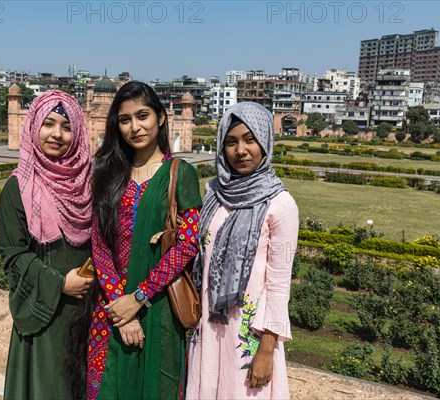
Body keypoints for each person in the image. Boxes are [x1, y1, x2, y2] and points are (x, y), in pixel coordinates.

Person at [86, 81, 202, 400]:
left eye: (143, 116)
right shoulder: (108, 172)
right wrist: (119, 307)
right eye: (125, 120)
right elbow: (99, 243)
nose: (135, 127)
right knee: (107, 387)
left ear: (160, 118)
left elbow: (187, 246)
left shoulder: (181, 174)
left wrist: (138, 298)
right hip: (110, 311)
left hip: (158, 307)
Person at [186, 102, 299, 399]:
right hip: (208, 326)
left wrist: (266, 347)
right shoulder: (214, 191)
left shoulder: (280, 204)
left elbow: (278, 284)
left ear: (265, 142)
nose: (241, 151)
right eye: (231, 142)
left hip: (249, 334)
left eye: (250, 140)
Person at [0, 90, 94, 399]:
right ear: (34, 126)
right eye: (48, 124)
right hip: (46, 314)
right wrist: (60, 284)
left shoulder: (90, 184)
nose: (57, 134)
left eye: (67, 126)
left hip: (89, 313)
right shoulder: (18, 189)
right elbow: (13, 257)